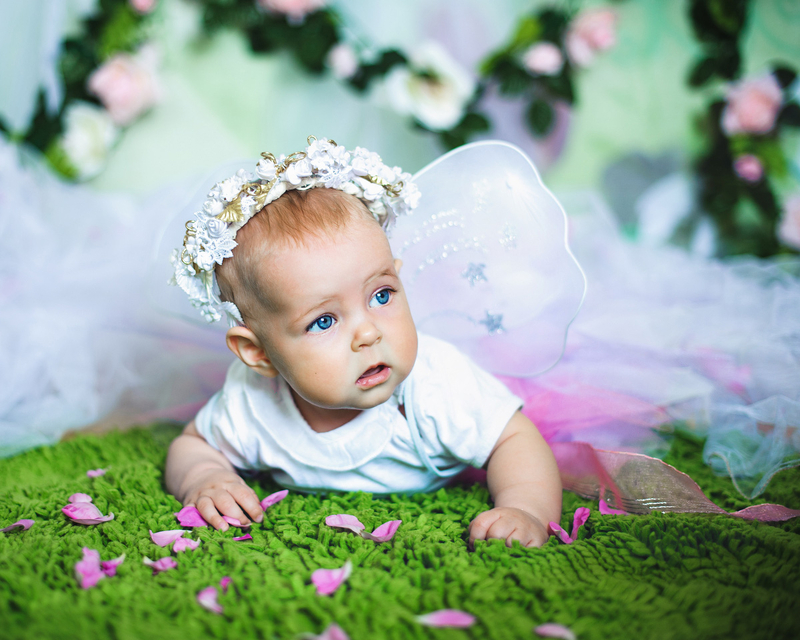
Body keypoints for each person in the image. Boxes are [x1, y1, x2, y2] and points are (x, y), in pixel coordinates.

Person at [165, 138, 564, 548]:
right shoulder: (252, 403)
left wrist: (526, 508)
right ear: (259, 353)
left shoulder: (435, 385)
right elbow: (193, 444)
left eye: (381, 295)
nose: (369, 333)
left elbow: (512, 439)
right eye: (324, 321)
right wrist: (206, 477)